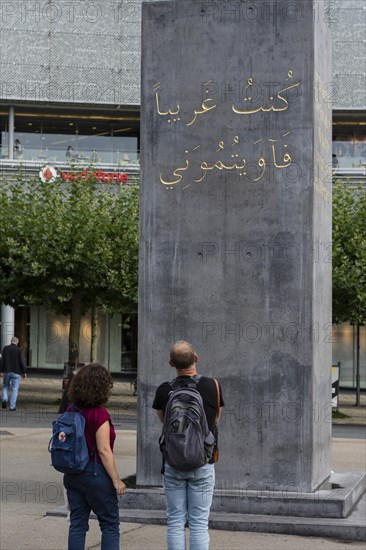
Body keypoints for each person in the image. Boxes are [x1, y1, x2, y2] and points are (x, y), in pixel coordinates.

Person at [153, 340, 224, 550]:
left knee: (175, 521)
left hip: (172, 463)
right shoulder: (213, 386)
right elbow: (216, 420)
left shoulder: (164, 390)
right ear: (196, 359)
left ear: (170, 363)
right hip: (203, 462)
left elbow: (163, 421)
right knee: (199, 523)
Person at [63, 363, 126, 550]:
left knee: (77, 524)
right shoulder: (100, 415)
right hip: (96, 474)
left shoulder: (70, 410)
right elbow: (104, 450)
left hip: (73, 474)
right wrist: (116, 479)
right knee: (110, 525)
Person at [1, 336, 27, 411]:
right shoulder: (19, 350)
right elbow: (22, 362)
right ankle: (12, 407)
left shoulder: (5, 348)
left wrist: (1, 371)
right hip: (16, 372)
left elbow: (2, 360)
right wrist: (24, 372)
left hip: (7, 371)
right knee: (15, 389)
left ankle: (4, 399)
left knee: (5, 385)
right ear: (17, 342)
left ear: (11, 341)